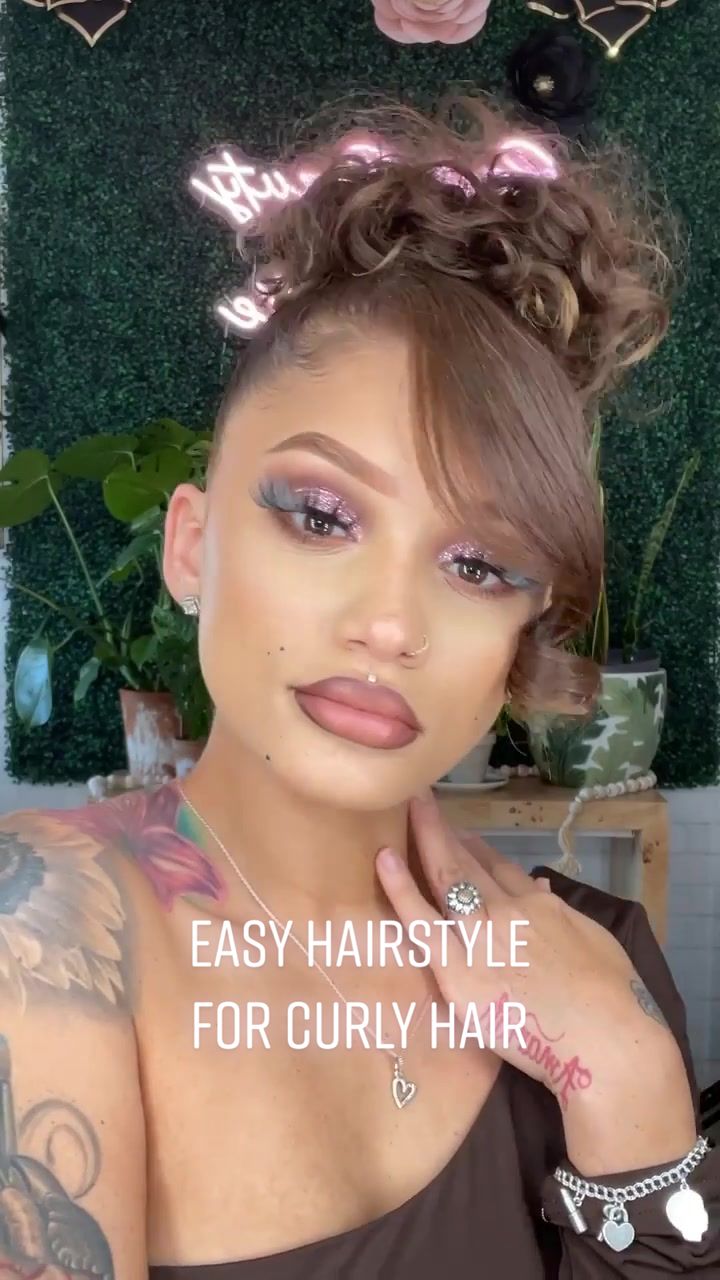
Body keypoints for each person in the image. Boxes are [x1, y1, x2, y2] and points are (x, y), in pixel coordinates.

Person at [0, 94, 716, 1279]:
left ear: (519, 632)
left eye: (478, 564)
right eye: (323, 514)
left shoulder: (600, 962)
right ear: (192, 547)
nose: (391, 623)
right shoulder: (48, 931)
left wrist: (631, 1084)